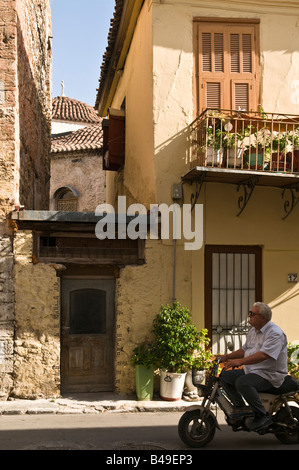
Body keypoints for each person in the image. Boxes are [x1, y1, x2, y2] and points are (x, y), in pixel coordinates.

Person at [218, 302, 288, 431]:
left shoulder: (275, 333)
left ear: (263, 317)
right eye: (249, 313)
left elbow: (263, 355)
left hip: (269, 374)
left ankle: (262, 415)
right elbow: (245, 350)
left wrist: (240, 362)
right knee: (224, 376)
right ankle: (240, 409)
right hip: (253, 370)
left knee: (243, 383)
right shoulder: (253, 331)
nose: (249, 316)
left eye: (252, 314)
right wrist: (226, 357)